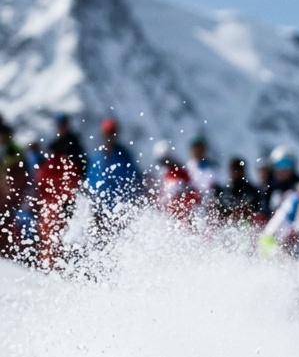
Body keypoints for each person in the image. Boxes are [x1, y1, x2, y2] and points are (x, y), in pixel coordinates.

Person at [33, 114, 86, 269]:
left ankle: (67, 265)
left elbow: (79, 171)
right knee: (52, 229)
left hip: (68, 196)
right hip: (54, 196)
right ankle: (51, 264)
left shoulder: (74, 145)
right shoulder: (56, 145)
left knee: (68, 230)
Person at [85, 118, 143, 249]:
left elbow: (135, 180)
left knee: (119, 245)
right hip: (99, 210)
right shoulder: (96, 158)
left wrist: (132, 205)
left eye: (112, 133)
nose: (109, 136)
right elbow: (89, 183)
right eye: (107, 133)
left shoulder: (124, 156)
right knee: (99, 246)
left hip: (120, 210)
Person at [0, 118, 31, 260]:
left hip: (12, 193)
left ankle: (14, 252)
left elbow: (20, 167)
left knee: (12, 222)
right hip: (5, 193)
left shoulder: (14, 149)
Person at [148, 140, 200, 224]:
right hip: (166, 214)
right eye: (162, 160)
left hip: (182, 213)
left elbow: (192, 191)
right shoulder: (157, 175)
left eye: (167, 159)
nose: (165, 163)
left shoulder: (180, 172)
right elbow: (155, 196)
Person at [215, 156, 267, 230]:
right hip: (227, 226)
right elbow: (219, 210)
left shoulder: (253, 191)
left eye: (239, 169)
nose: (236, 172)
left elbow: (260, 209)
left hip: (247, 226)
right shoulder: (224, 190)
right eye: (234, 169)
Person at [263, 146, 299, 213]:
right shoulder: (267, 186)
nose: (284, 169)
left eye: (288, 164)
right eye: (280, 164)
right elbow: (261, 208)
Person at [185, 134, 219, 209]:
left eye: (200, 148)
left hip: (208, 201)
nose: (198, 151)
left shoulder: (212, 166)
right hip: (193, 202)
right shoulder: (188, 167)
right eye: (196, 149)